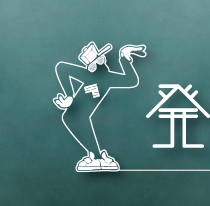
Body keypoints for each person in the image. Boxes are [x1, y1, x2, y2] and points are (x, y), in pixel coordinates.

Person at [53, 41, 147, 172]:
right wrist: (69, 96)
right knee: (69, 117)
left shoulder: (109, 78)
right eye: (98, 60)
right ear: (90, 67)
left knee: (75, 118)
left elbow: (131, 80)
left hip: (93, 115)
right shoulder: (83, 74)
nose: (102, 61)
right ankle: (96, 157)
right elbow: (61, 68)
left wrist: (124, 57)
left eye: (102, 58)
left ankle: (98, 157)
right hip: (79, 110)